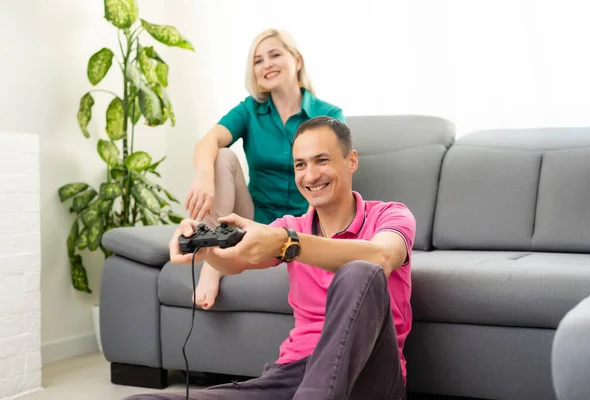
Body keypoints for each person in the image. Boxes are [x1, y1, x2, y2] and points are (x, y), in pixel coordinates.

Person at [125, 117, 416, 400]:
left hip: (369, 376)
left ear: (351, 160)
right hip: (291, 376)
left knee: (359, 272)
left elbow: (382, 257)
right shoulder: (291, 227)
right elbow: (236, 261)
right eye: (300, 165)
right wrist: (208, 250)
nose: (310, 175)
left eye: (322, 160)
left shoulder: (390, 215)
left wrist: (290, 243)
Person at [185, 29, 344, 310]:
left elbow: (337, 173)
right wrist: (204, 176)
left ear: (297, 60)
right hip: (252, 220)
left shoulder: (328, 115)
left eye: (274, 55)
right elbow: (209, 139)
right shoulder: (249, 110)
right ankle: (216, 249)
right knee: (220, 156)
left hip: (304, 224)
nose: (266, 64)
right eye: (258, 60)